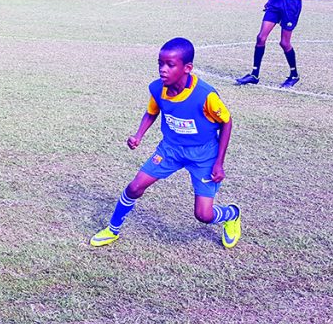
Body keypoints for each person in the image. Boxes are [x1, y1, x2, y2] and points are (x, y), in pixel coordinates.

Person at [90, 37, 241, 249]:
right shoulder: (158, 89)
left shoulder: (205, 95)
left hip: (203, 155)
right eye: (160, 63)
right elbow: (152, 112)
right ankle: (112, 230)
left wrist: (219, 163)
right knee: (134, 187)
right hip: (170, 149)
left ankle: (231, 214)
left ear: (187, 68)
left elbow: (226, 122)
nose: (163, 69)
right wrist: (138, 135)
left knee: (203, 215)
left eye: (170, 65)